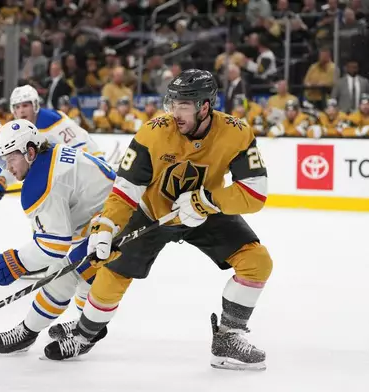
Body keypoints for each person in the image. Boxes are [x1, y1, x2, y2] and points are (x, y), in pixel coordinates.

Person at [44, 69, 272, 372]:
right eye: (172, 104)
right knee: (114, 272)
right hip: (152, 211)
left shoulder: (235, 132)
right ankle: (86, 334)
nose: (175, 113)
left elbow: (255, 193)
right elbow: (125, 190)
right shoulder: (153, 132)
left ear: (205, 107)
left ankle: (228, 338)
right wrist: (105, 226)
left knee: (257, 261)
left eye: (184, 107)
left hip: (205, 211)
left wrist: (207, 201)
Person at [0, 119, 115, 354]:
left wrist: (15, 262)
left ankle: (86, 335)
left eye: (10, 159)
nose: (7, 167)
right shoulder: (47, 153)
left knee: (76, 273)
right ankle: (32, 331)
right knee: (64, 274)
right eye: (3, 160)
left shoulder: (42, 182)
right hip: (103, 219)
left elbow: (54, 245)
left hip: (118, 222)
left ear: (30, 152)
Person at [0, 84, 102, 205]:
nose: (21, 110)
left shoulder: (54, 121)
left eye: (25, 105)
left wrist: (97, 170)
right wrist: (2, 180)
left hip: (85, 178)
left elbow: (82, 147)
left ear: (35, 105)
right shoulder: (16, 131)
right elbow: (16, 160)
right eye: (17, 107)